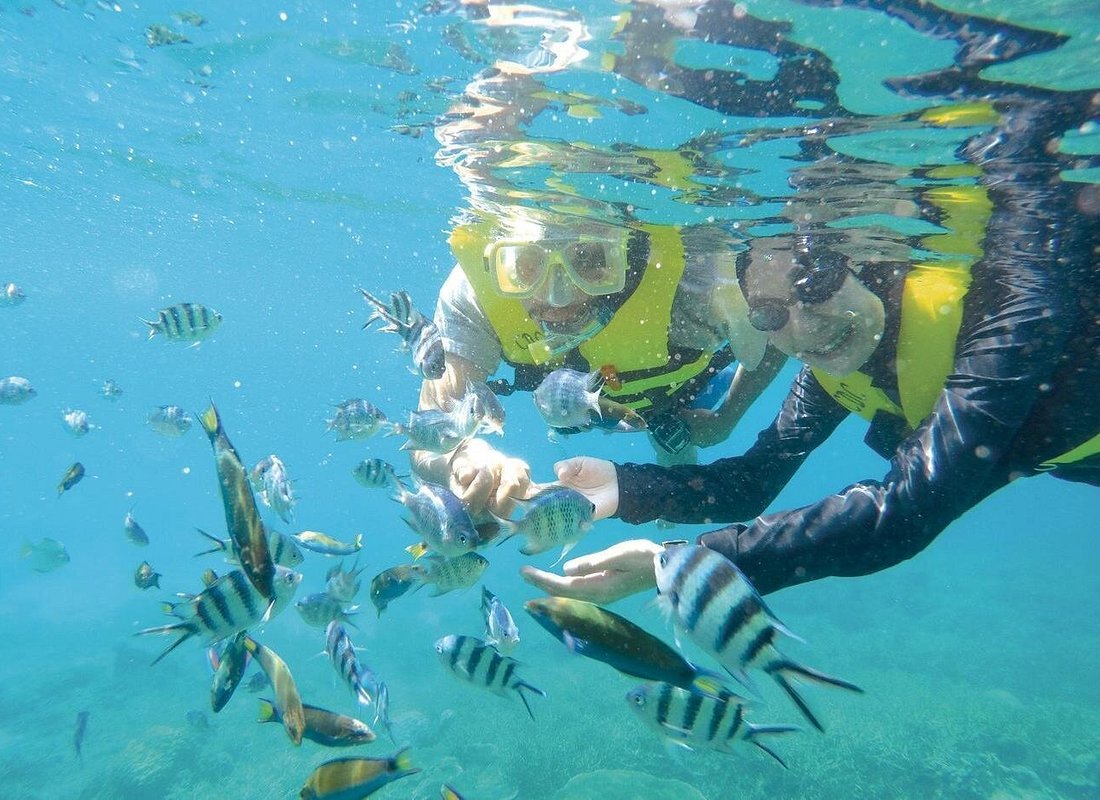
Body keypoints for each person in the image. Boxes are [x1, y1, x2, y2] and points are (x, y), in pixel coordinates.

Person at [522, 90, 1100, 601]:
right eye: (771, 314)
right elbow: (750, 481)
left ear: (878, 261)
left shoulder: (1012, 305)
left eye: (814, 286)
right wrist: (624, 487)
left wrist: (681, 562)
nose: (804, 330)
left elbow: (902, 515)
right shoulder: (829, 371)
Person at [412, 205, 786, 517]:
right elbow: (428, 434)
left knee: (677, 442)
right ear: (499, 261)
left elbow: (781, 337)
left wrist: (728, 416)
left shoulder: (696, 280)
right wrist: (464, 456)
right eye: (526, 265)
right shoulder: (473, 295)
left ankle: (672, 447)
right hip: (574, 405)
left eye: (590, 260)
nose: (558, 297)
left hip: (683, 395)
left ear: (624, 251)